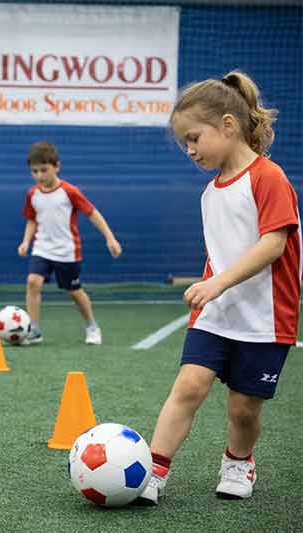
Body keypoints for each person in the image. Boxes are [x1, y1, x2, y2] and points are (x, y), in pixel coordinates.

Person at [137, 71, 300, 505]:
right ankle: (152, 470)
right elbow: (221, 252)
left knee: (243, 409)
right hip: (215, 314)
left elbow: (273, 243)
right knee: (188, 386)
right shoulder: (210, 193)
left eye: (194, 138)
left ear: (228, 125)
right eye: (183, 144)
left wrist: (218, 283)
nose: (190, 150)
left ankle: (238, 461)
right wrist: (211, 289)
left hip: (265, 318)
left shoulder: (269, 177)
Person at [16, 141, 121, 345]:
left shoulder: (69, 192)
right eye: (34, 171)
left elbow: (93, 213)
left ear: (57, 167)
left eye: (44, 170)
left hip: (67, 252)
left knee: (73, 291)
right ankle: (34, 329)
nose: (39, 175)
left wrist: (110, 237)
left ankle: (92, 325)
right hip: (42, 248)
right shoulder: (32, 194)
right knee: (32, 282)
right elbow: (32, 219)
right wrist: (25, 242)